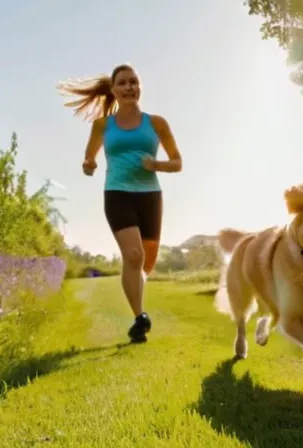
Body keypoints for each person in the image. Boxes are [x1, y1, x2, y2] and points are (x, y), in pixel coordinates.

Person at [58, 64, 182, 343]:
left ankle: (137, 302)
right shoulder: (103, 125)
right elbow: (89, 159)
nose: (129, 88)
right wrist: (88, 164)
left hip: (150, 196)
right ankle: (140, 317)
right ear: (113, 90)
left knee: (146, 263)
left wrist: (157, 164)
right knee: (134, 256)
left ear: (140, 88)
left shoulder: (157, 123)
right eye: (123, 83)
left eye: (134, 82)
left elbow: (178, 162)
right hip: (117, 194)